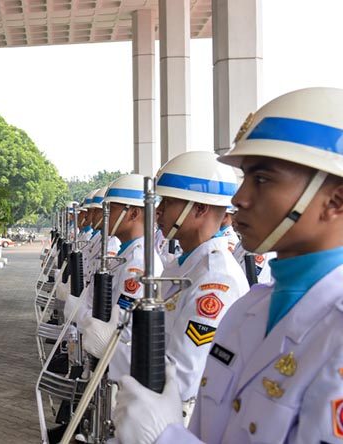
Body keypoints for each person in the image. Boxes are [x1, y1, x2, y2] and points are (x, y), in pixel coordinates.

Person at [115, 87, 343, 444]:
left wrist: (165, 438)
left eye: (263, 179)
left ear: (336, 200)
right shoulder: (248, 310)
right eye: (245, 178)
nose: (239, 199)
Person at [149, 151, 250, 410]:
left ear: (200, 208)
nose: (158, 211)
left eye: (168, 202)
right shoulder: (181, 265)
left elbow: (185, 375)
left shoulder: (216, 278)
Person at [81, 173, 164, 380]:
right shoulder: (126, 255)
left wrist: (83, 317)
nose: (104, 216)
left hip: (119, 368)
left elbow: (124, 328)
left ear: (133, 213)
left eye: (112, 209)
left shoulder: (138, 262)